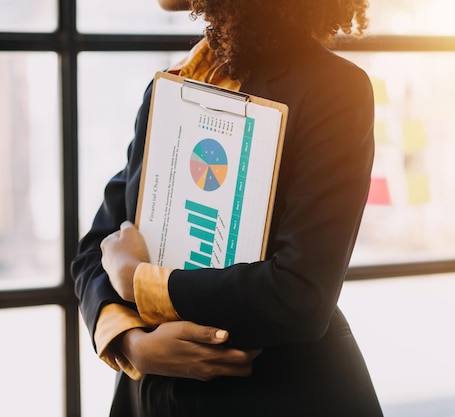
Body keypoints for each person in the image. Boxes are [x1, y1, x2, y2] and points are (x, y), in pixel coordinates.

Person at [71, 0, 382, 416]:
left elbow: (300, 294)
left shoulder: (334, 90)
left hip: (281, 396)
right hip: (151, 400)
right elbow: (98, 245)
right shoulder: (173, 83)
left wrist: (140, 283)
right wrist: (131, 343)